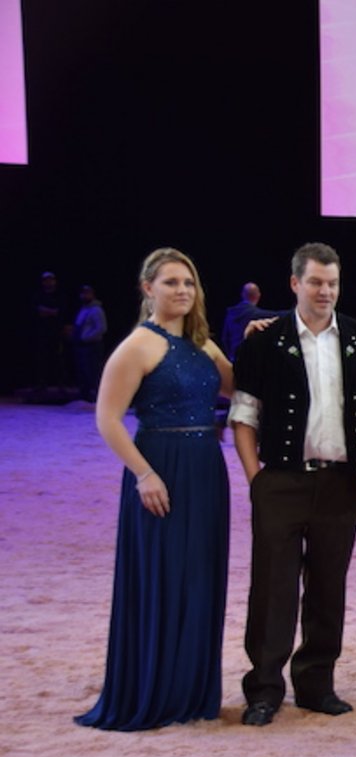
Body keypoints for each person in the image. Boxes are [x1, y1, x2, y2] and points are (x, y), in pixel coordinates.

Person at [229, 243, 356, 726]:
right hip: (280, 483)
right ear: (294, 284)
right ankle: (264, 689)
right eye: (316, 282)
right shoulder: (264, 341)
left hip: (340, 483)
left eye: (332, 283)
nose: (325, 291)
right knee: (273, 589)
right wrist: (256, 480)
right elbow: (243, 416)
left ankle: (316, 685)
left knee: (328, 588)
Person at [76, 248, 234, 731]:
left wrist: (260, 339)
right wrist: (144, 474)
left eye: (188, 282)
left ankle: (190, 692)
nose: (182, 290)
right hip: (161, 469)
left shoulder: (204, 345)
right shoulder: (138, 346)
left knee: (199, 576)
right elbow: (107, 419)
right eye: (170, 282)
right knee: (163, 577)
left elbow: (240, 387)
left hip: (205, 468)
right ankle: (155, 691)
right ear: (148, 289)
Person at [219, 282, 276, 361]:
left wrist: (230, 356)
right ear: (258, 295)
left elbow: (224, 338)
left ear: (242, 294)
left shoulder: (230, 313)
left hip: (232, 358)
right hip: (248, 360)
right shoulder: (257, 314)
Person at [73, 284, 108, 402]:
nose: (85, 295)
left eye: (88, 293)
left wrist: (86, 337)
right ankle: (85, 396)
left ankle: (98, 397)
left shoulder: (96, 310)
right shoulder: (83, 309)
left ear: (92, 295)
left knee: (93, 371)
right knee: (83, 371)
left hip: (92, 345)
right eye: (83, 293)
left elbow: (101, 328)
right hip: (82, 345)